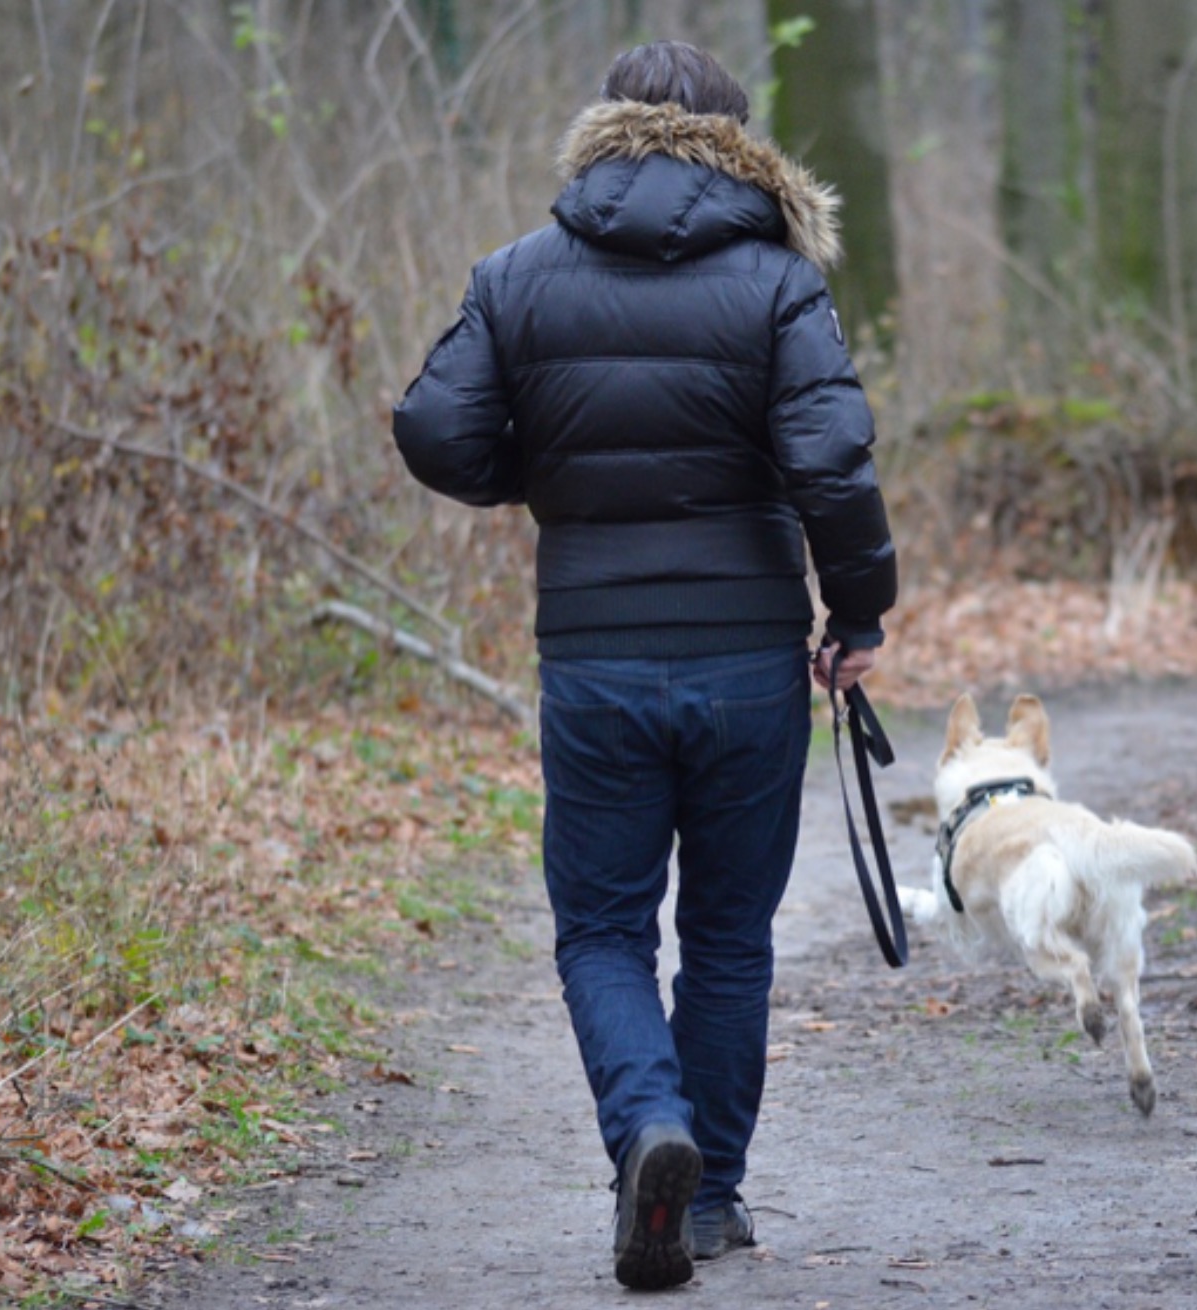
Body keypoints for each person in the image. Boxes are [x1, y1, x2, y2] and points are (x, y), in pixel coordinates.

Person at [392, 41, 897, 1291]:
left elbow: (433, 427)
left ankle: (644, 1131)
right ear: (738, 144)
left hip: (595, 656)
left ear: (603, 131)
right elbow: (831, 463)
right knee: (727, 935)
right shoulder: (779, 283)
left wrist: (550, 475)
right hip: (744, 661)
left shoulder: (518, 275)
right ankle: (708, 1193)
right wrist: (860, 609)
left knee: (603, 928)